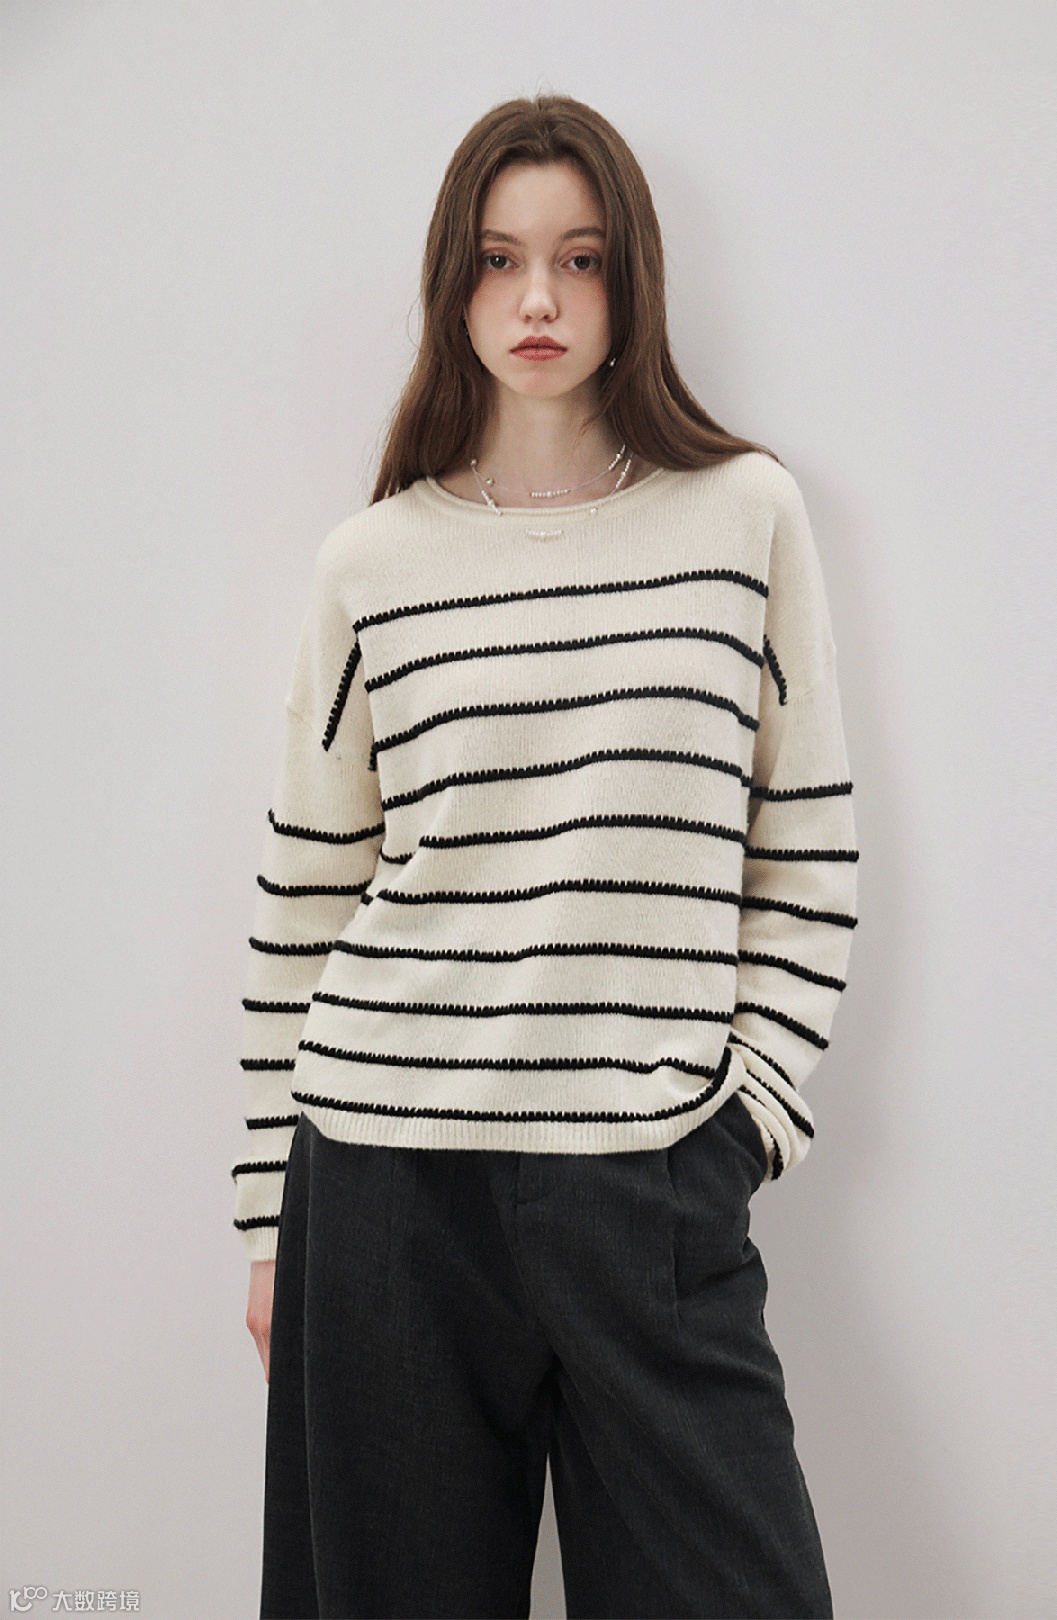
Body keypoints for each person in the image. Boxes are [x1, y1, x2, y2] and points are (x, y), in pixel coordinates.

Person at [231, 93, 858, 1620]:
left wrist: (744, 1119)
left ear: (631, 280)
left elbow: (808, 847)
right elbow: (308, 895)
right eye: (501, 259)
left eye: (579, 260)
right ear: (452, 284)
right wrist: (269, 1222)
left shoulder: (744, 519)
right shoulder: (372, 562)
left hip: (651, 1178)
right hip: (384, 1186)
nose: (538, 300)